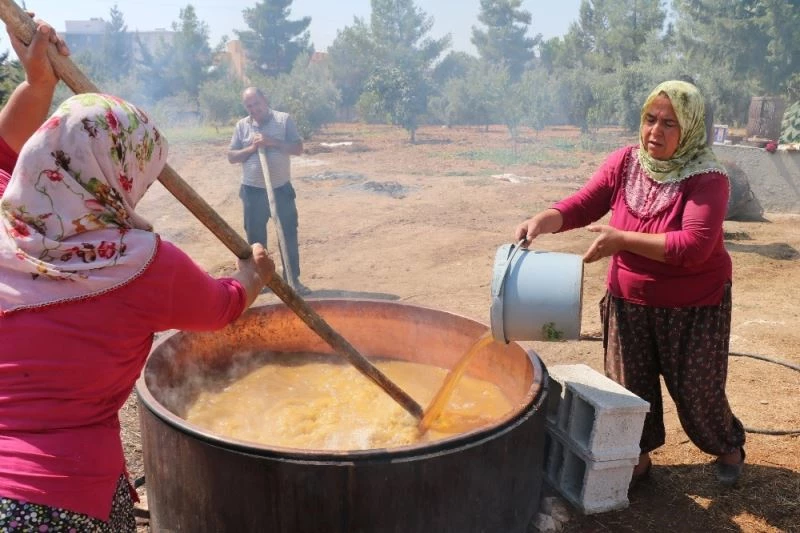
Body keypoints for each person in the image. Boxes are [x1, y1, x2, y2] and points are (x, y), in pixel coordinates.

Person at [0, 37, 275, 533]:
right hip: (60, 501)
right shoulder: (139, 264)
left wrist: (38, 83)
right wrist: (254, 273)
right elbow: (222, 305)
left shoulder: (5, 220)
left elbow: (2, 148)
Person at [515, 80, 746, 488]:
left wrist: (621, 240)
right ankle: (637, 460)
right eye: (650, 119)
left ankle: (728, 446)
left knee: (698, 393)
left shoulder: (708, 178)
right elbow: (584, 203)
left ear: (690, 128)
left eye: (669, 123)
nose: (655, 131)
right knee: (629, 390)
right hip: (628, 301)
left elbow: (692, 246)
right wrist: (543, 219)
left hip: (693, 305)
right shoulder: (625, 163)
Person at [227, 87, 310, 294]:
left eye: (257, 103)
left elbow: (298, 148)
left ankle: (293, 280)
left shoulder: (283, 120)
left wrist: (271, 142)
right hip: (252, 191)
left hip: (281, 189)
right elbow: (231, 156)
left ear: (265, 100)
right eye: (249, 105)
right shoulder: (242, 126)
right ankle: (261, 281)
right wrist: (252, 149)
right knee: (255, 240)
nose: (254, 108)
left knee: (288, 234)